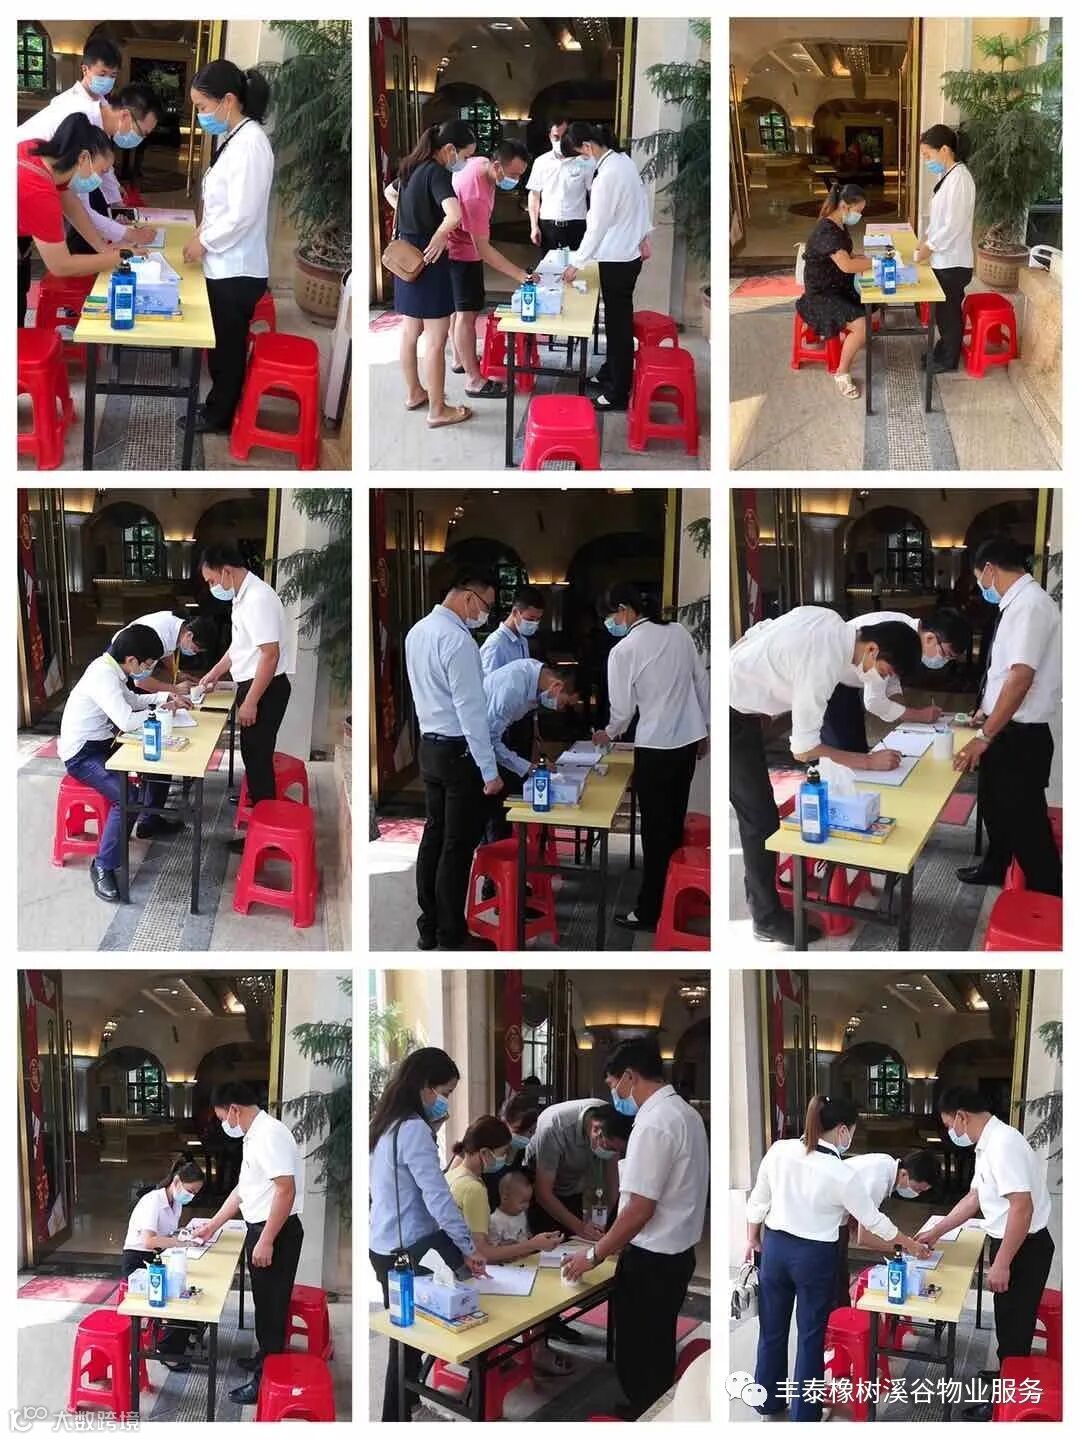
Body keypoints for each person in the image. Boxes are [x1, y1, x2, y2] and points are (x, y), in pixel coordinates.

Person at [729, 610, 923, 945]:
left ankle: (762, 899)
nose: (879, 679)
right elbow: (804, 751)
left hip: (740, 704)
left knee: (758, 812)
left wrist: (748, 673)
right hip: (728, 711)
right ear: (872, 649)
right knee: (760, 821)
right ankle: (765, 918)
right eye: (884, 672)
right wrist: (868, 761)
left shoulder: (830, 621)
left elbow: (759, 629)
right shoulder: (824, 664)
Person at [745, 1095, 932, 1422]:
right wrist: (908, 1243)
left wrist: (751, 1238)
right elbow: (875, 1222)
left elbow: (759, 1201)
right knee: (810, 1336)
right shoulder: (842, 1174)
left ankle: (768, 1401)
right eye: (853, 1131)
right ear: (843, 1130)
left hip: (775, 1249)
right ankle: (804, 1415)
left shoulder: (779, 1151)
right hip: (814, 1257)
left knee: (771, 1329)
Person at [562, 1039, 709, 1419]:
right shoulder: (685, 1114)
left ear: (629, 1076)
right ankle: (650, 1406)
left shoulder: (655, 1122)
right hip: (677, 1255)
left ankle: (642, 1412)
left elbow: (641, 1208)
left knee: (638, 1348)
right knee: (657, 1342)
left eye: (614, 1085)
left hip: (652, 1261)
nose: (615, 1095)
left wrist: (594, 1255)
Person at [368, 1048, 487, 1422]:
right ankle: (398, 1414)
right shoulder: (413, 1129)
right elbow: (437, 1197)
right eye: (445, 1092)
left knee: (406, 1336)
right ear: (425, 1085)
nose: (445, 1102)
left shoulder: (385, 1124)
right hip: (409, 1249)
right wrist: (468, 1247)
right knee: (409, 1339)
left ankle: (403, 1409)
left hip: (385, 1245)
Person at [921, 1087, 1054, 1421]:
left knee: (1014, 1331)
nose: (951, 1132)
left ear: (962, 1116)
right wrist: (937, 1231)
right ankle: (1005, 1379)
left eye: (949, 1124)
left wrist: (1003, 1263)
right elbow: (974, 1199)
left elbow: (1022, 1207)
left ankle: (1006, 1409)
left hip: (1024, 1248)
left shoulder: (1003, 1144)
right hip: (1012, 1242)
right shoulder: (987, 1144)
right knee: (1008, 1325)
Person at [592, 584, 709, 933]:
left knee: (655, 834)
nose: (610, 623)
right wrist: (706, 727)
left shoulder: (623, 650)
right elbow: (701, 681)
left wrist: (608, 733)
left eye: (610, 616)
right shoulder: (679, 633)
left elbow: (623, 711)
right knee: (672, 827)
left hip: (655, 748)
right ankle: (672, 902)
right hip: (687, 743)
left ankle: (649, 912)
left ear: (624, 609)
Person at [953, 536, 1062, 895]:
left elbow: (1020, 679)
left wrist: (985, 736)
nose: (981, 587)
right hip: (1005, 727)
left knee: (1027, 826)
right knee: (994, 807)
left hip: (1021, 736)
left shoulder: (1030, 606)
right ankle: (995, 867)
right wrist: (985, 713)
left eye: (979, 578)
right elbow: (1001, 675)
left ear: (989, 569)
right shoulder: (1016, 605)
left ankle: (1050, 898)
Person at [187, 1081, 304, 1407]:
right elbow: (243, 1191)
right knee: (264, 1305)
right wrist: (212, 1225)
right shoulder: (254, 1136)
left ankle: (267, 1381)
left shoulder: (270, 1135)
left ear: (235, 1110)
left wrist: (266, 1239)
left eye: (223, 1117)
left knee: (272, 1310)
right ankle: (264, 1359)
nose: (224, 1124)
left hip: (276, 1231)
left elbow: (285, 1190)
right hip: (263, 1228)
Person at [404, 570, 504, 950]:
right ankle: (452, 934)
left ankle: (428, 926)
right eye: (486, 605)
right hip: (459, 752)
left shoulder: (417, 632)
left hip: (429, 747)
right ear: (467, 596)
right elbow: (471, 712)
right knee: (456, 846)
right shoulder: (458, 641)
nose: (485, 614)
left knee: (433, 837)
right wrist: (489, 771)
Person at [58, 623, 192, 900]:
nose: (149, 670)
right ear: (132, 660)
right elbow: (127, 720)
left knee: (154, 764)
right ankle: (103, 866)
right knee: (127, 797)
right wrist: (162, 709)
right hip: (82, 754)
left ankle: (150, 819)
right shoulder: (103, 675)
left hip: (102, 743)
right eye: (148, 664)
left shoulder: (112, 670)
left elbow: (130, 700)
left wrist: (164, 696)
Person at [180, 60, 275, 436]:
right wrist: (201, 230)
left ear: (228, 101)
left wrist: (204, 241)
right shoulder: (234, 138)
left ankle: (219, 415)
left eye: (203, 107)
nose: (201, 116)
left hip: (237, 269)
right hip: (225, 263)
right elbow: (222, 205)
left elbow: (241, 215)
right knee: (220, 343)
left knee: (228, 347)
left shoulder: (251, 144)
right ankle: (216, 404)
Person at [197, 543, 294, 854]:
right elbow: (239, 647)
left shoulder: (257, 599)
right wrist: (214, 673)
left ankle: (266, 840)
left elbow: (269, 655)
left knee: (258, 761)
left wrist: (250, 701)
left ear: (226, 571)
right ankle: (261, 826)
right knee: (253, 758)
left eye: (212, 580)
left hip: (265, 688)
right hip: (254, 685)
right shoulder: (242, 597)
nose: (212, 587)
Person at [392, 120, 478, 430]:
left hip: (406, 257)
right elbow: (454, 214)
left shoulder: (410, 167)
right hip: (429, 258)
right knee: (436, 339)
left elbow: (390, 193)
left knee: (409, 331)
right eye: (465, 156)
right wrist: (440, 234)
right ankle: (438, 409)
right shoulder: (438, 173)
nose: (464, 162)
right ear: (449, 149)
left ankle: (414, 393)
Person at [560, 122, 651, 411]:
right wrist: (644, 235)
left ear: (587, 147)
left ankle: (618, 392)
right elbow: (641, 202)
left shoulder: (607, 175)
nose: (580, 162)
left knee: (618, 326)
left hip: (618, 258)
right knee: (615, 322)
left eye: (579, 156)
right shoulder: (623, 162)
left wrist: (576, 263)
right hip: (626, 253)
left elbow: (596, 226)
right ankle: (611, 372)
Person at [17, 114, 140, 327]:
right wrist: (120, 256)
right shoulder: (37, 190)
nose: (99, 180)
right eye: (101, 171)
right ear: (83, 158)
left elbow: (70, 203)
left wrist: (102, 248)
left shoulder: (40, 153)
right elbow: (61, 265)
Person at [17, 79, 162, 254]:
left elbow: (82, 198)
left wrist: (117, 208)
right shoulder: (84, 124)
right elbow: (81, 210)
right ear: (125, 116)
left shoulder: (101, 120)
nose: (141, 140)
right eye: (142, 133)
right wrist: (126, 243)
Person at [447, 140, 536, 400]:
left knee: (458, 311)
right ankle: (474, 380)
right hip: (461, 255)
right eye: (513, 174)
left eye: (520, 175)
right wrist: (520, 275)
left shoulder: (480, 163)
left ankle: (459, 359)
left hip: (459, 249)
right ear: (497, 166)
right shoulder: (475, 195)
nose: (516, 181)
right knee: (466, 316)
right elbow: (484, 250)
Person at [821, 608, 972, 753]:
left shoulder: (907, 633)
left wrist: (905, 710)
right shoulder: (895, 637)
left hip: (846, 680)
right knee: (842, 749)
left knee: (856, 744)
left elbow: (890, 680)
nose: (943, 661)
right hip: (829, 681)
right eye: (945, 654)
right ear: (930, 638)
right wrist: (917, 715)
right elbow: (874, 701)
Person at [122, 1156, 207, 1369]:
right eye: (190, 1191)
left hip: (157, 1258)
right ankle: (168, 1350)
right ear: (176, 1182)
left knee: (192, 1286)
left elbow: (168, 1234)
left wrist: (187, 1234)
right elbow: (149, 1241)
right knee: (179, 1294)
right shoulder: (152, 1201)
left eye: (195, 1193)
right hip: (138, 1262)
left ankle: (184, 1334)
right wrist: (181, 1242)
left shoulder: (175, 1203)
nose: (191, 1196)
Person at [446, 1115, 563, 1262]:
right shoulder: (473, 1189)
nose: (506, 1158)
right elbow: (482, 1253)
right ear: (484, 1153)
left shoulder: (452, 1175)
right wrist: (532, 1245)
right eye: (503, 1152)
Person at [795, 180, 873, 400]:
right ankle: (842, 373)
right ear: (845, 206)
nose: (859, 215)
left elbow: (848, 256)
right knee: (862, 326)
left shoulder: (839, 224)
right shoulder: (826, 231)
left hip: (837, 284)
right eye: (858, 211)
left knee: (873, 297)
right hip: (822, 294)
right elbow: (846, 265)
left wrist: (866, 258)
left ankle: (855, 341)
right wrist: (876, 263)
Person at [835, 1148, 940, 1307]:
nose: (917, 1194)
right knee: (835, 1287)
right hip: (826, 1223)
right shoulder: (879, 1181)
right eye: (917, 1189)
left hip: (835, 1219)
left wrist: (906, 1244)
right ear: (904, 1174)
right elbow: (864, 1238)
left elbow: (862, 1223)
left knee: (839, 1283)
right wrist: (906, 1247)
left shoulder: (887, 1164)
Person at [483, 658, 574, 839]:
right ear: (556, 686)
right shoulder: (513, 691)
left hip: (491, 737)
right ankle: (490, 850)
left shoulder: (534, 675)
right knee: (491, 813)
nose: (560, 709)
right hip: (475, 743)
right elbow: (489, 741)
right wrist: (528, 768)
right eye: (563, 703)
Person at [914, 125, 977, 375]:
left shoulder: (960, 178)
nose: (926, 161)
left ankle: (948, 360)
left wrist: (929, 247)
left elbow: (954, 225)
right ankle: (942, 350)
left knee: (949, 314)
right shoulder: (948, 176)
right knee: (942, 312)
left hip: (954, 262)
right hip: (944, 260)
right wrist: (925, 239)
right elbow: (940, 220)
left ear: (944, 150)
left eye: (927, 155)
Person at [524, 1098, 625, 1242]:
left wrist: (606, 1223)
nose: (611, 1153)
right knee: (549, 1242)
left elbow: (612, 1182)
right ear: (596, 1130)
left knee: (576, 1240)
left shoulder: (611, 1120)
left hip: (572, 1187)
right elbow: (543, 1193)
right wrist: (580, 1228)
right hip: (539, 1190)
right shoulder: (554, 1127)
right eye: (609, 1148)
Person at [480, 585, 546, 771]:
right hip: (502, 727)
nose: (534, 624)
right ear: (515, 612)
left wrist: (534, 726)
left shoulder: (523, 641)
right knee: (510, 775)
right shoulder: (495, 645)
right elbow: (488, 692)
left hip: (521, 721)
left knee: (524, 773)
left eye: (538, 620)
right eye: (530, 619)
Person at [527, 115, 592, 256]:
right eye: (556, 137)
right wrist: (534, 226)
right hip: (549, 225)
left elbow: (593, 194)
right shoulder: (541, 162)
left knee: (577, 266)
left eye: (564, 137)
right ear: (550, 136)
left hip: (577, 224)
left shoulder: (585, 162)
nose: (561, 142)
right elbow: (534, 195)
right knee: (549, 266)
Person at [110, 612, 218, 697]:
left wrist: (176, 673)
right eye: (195, 649)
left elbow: (167, 651)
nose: (194, 653)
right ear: (189, 635)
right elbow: (141, 681)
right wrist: (175, 689)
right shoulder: (158, 638)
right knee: (128, 699)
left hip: (130, 657)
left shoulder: (179, 628)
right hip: (122, 661)